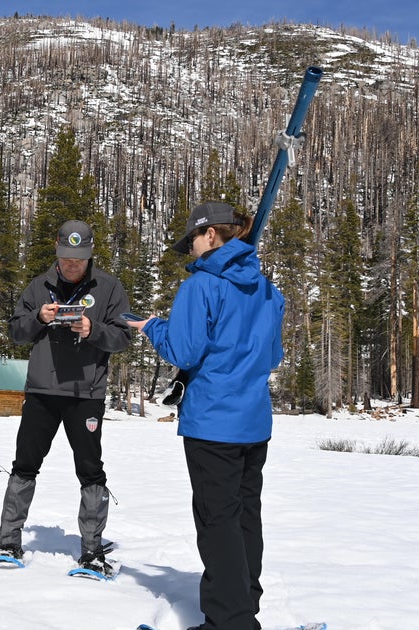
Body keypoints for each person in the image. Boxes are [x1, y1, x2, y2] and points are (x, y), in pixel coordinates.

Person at [126, 201, 285, 630]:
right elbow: (273, 355)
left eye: (193, 241)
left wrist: (152, 327)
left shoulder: (202, 286)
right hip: (254, 421)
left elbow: (184, 350)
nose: (191, 250)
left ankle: (228, 621)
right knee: (245, 517)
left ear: (210, 235)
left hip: (213, 421)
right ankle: (243, 607)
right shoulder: (267, 289)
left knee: (218, 523)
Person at [0, 220, 132, 575]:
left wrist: (93, 329)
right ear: (57, 249)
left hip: (86, 393)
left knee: (90, 470)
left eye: (78, 260)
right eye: (66, 258)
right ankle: (8, 542)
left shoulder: (110, 288)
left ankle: (93, 551)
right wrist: (38, 317)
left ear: (90, 253)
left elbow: (124, 337)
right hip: (41, 392)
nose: (71, 265)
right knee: (25, 464)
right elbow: (16, 332)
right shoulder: (39, 286)